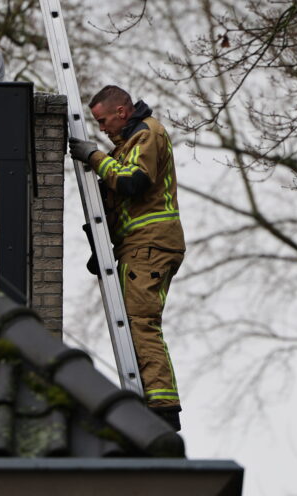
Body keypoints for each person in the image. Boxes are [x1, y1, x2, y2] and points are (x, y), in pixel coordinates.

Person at [68, 85, 185, 431]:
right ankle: (152, 399)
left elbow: (133, 182)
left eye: (103, 121)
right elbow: (118, 203)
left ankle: (162, 407)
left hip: (151, 244)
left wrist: (94, 157)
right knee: (134, 322)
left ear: (121, 112)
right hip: (137, 245)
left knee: (139, 321)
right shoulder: (125, 146)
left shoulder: (147, 134)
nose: (101, 129)